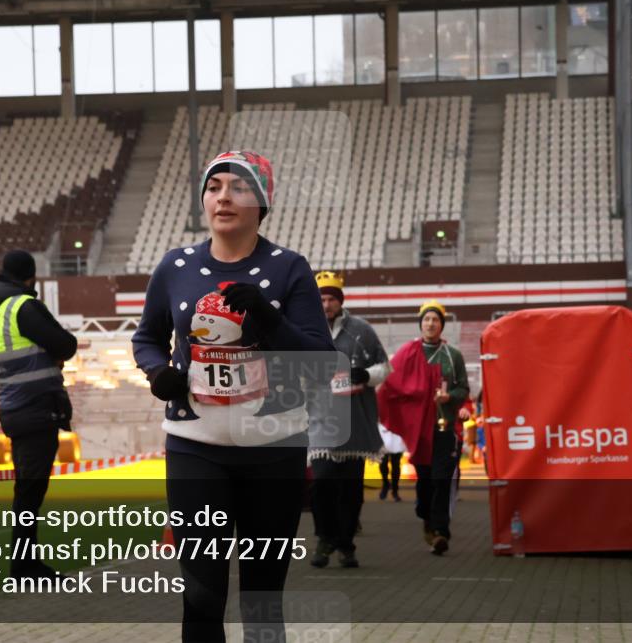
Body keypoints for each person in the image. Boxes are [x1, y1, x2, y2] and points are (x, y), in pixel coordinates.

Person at [132, 151, 334, 642]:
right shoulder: (175, 265)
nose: (223, 197)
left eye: (239, 187)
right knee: (201, 595)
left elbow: (321, 363)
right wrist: (159, 372)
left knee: (262, 596)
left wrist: (269, 319)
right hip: (195, 447)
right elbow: (146, 338)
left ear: (262, 201)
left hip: (275, 450)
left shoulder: (289, 268)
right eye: (214, 186)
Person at [0, 249, 77, 579]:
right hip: (36, 408)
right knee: (30, 493)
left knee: (27, 490)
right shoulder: (23, 306)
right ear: (31, 277)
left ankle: (25, 564)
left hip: (14, 407)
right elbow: (64, 344)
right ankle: (24, 566)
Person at [306, 271, 389, 569]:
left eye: (331, 299)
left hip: (354, 420)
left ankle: (346, 543)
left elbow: (384, 367)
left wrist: (366, 375)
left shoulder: (361, 331)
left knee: (351, 488)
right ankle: (324, 538)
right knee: (322, 482)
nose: (326, 304)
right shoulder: (306, 330)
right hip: (319, 419)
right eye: (322, 299)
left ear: (340, 301)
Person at [377, 300, 468, 556]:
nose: (431, 324)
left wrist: (450, 398)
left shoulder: (454, 356)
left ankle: (441, 532)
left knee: (441, 479)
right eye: (427, 320)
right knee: (426, 482)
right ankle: (426, 516)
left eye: (435, 320)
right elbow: (390, 384)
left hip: (445, 428)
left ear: (442, 325)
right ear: (421, 324)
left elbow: (464, 389)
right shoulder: (407, 352)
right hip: (420, 431)